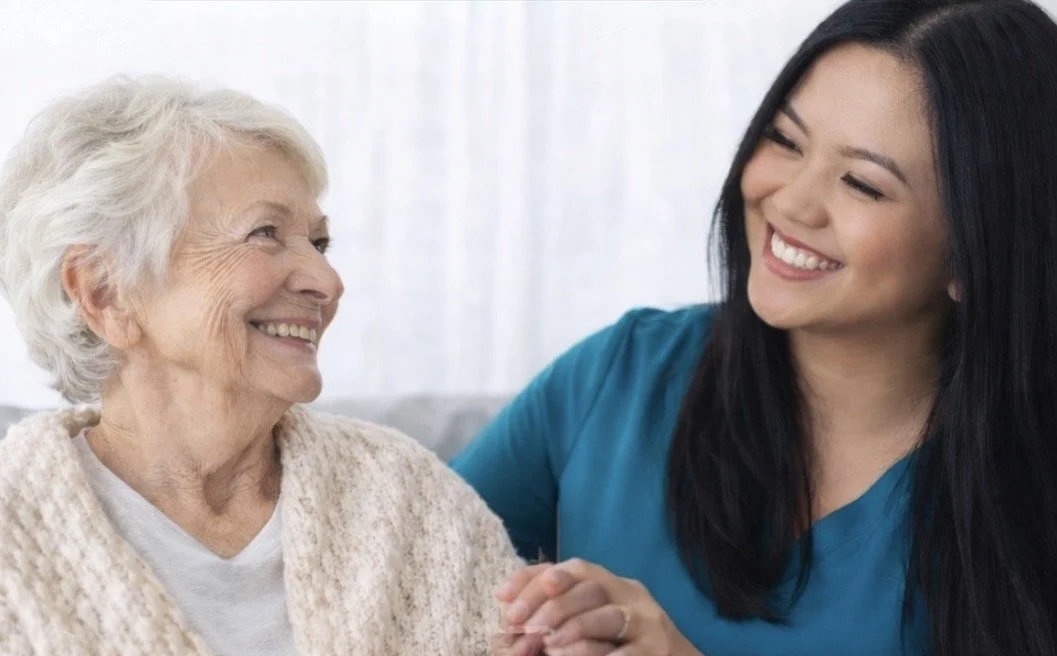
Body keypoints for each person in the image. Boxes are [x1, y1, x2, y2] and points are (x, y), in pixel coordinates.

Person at [457, 1, 1057, 654]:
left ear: (977, 249)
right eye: (783, 141)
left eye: (861, 183)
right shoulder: (618, 379)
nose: (791, 201)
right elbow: (386, 580)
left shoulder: (1026, 494)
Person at [0, 76, 522, 655]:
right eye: (265, 233)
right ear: (105, 293)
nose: (327, 282)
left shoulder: (411, 501)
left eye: (319, 244)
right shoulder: (12, 533)